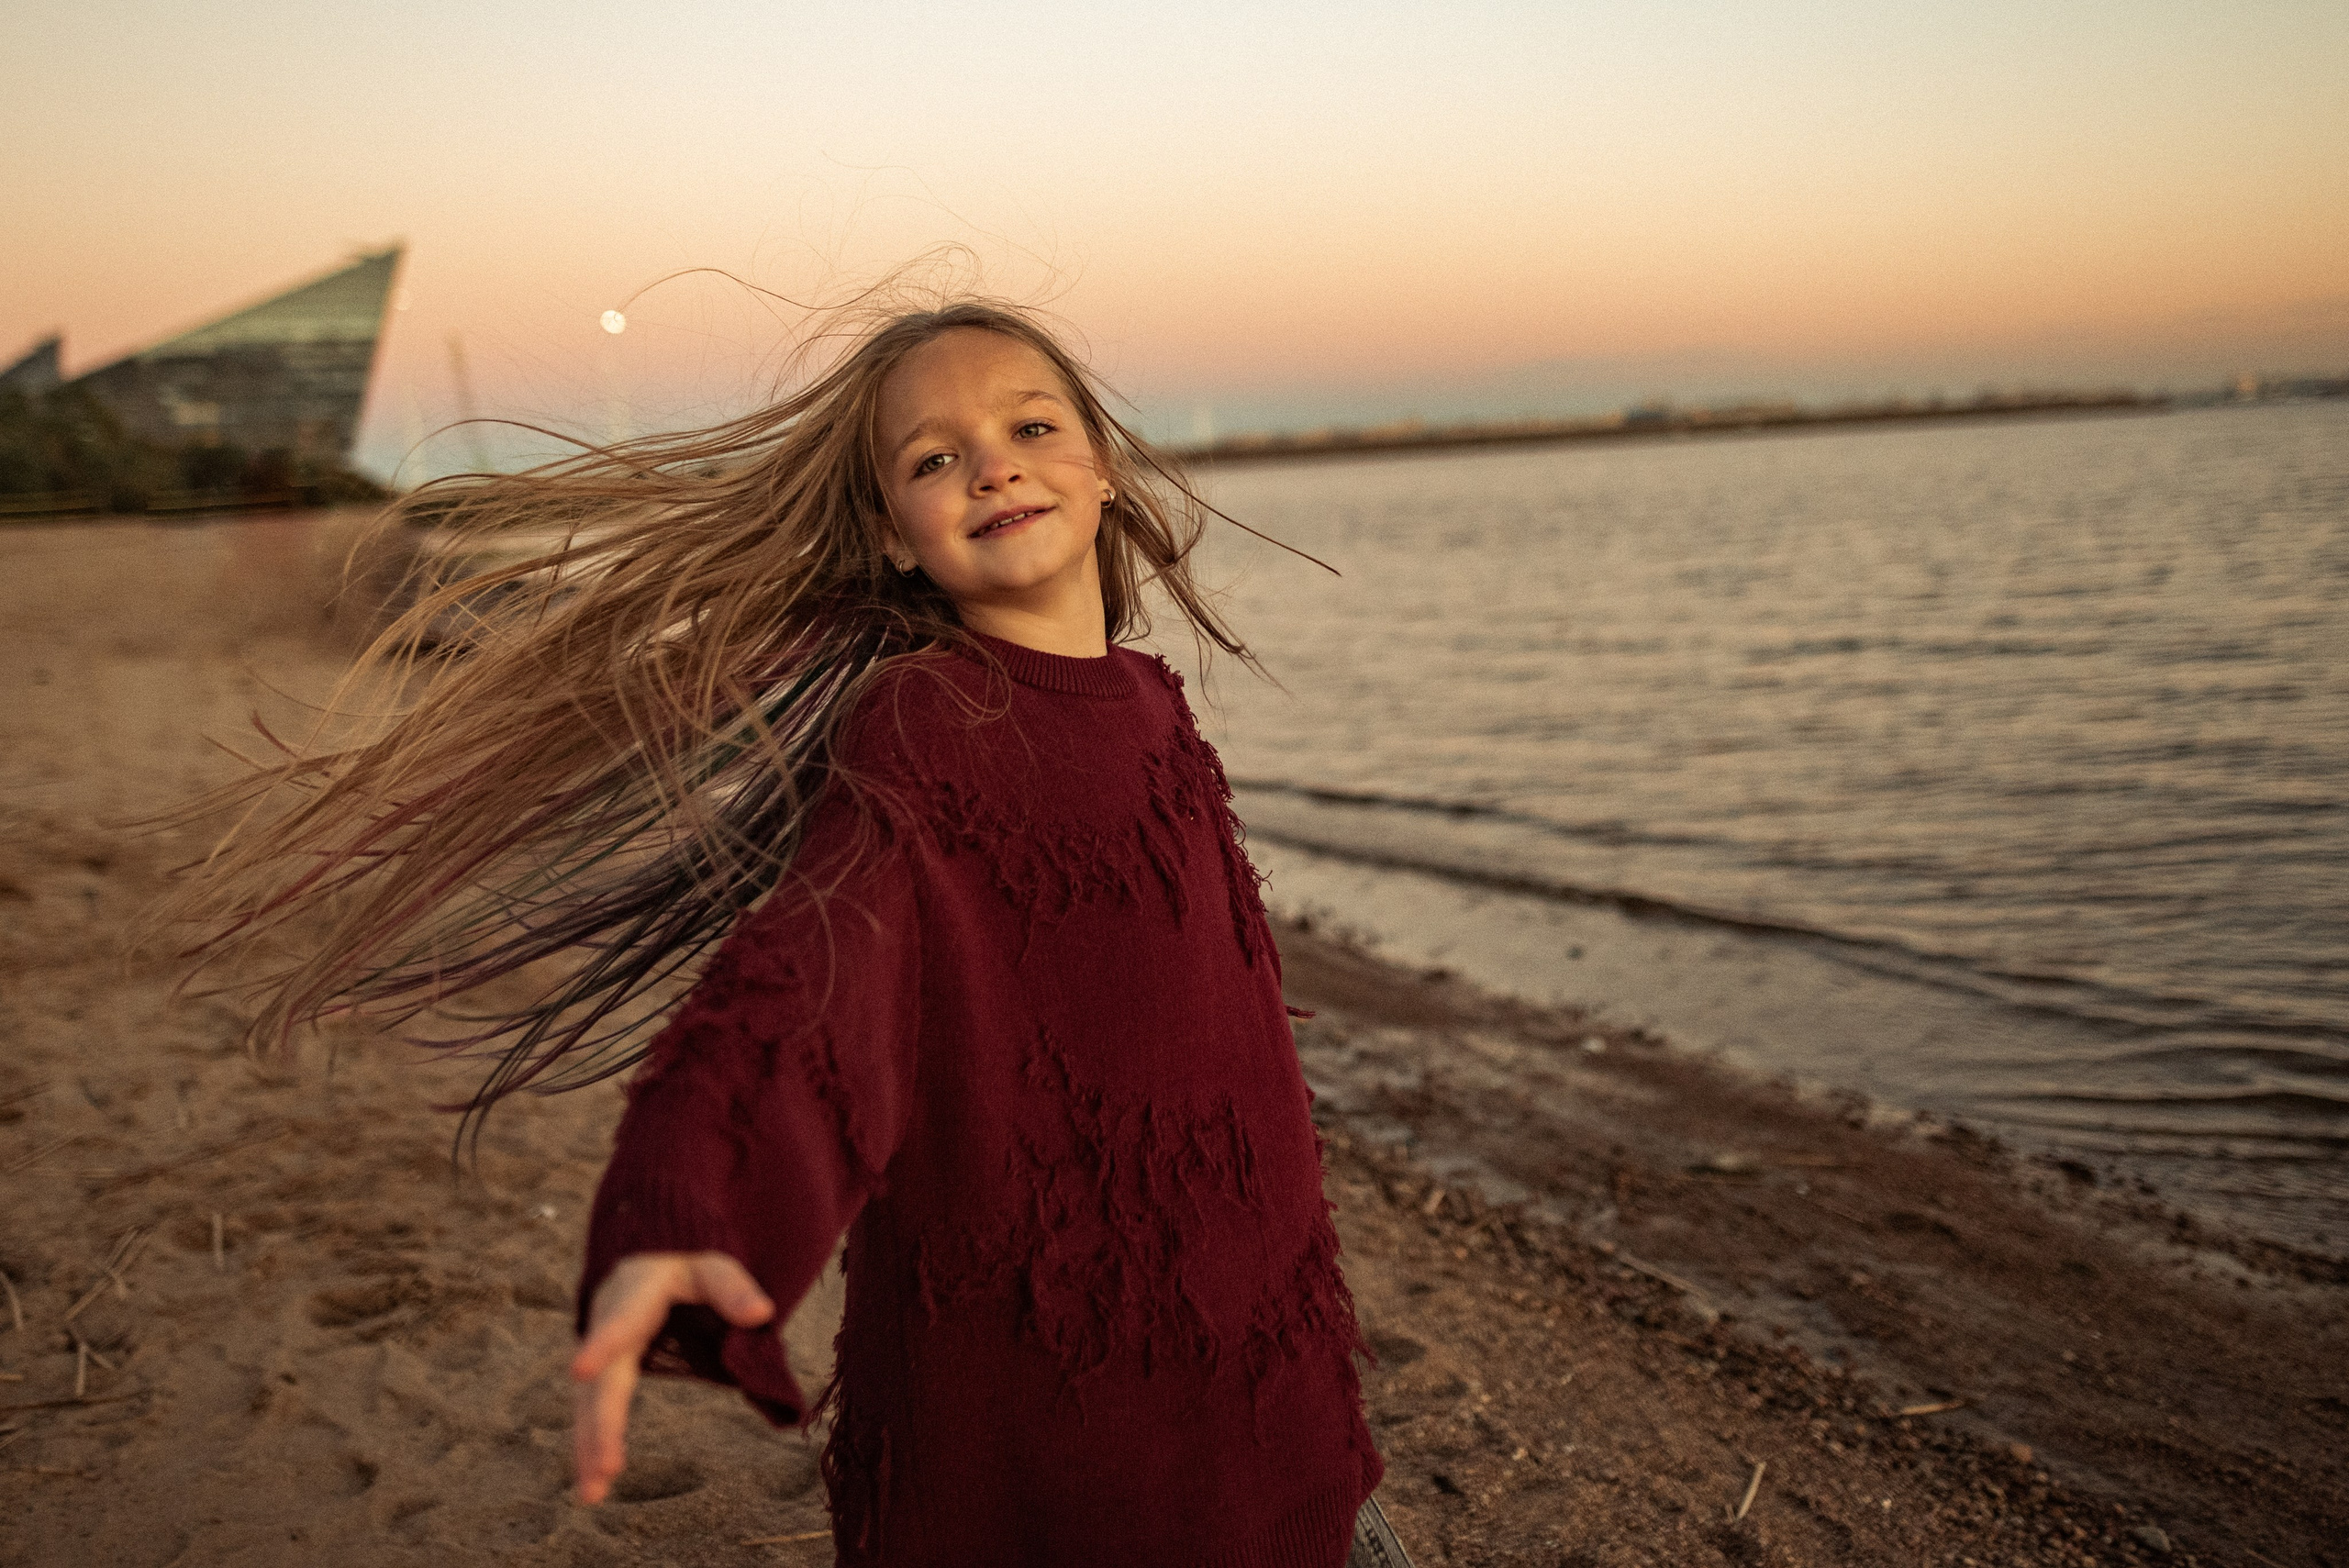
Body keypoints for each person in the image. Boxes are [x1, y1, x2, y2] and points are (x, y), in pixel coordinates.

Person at [166, 290, 1401, 1565]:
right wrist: (687, 1206)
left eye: (1031, 423)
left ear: (1101, 464)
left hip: (1280, 1392)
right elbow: (812, 974)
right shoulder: (928, 725)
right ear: (897, 537)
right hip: (1069, 1436)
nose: (993, 463)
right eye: (934, 458)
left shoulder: (1151, 701)